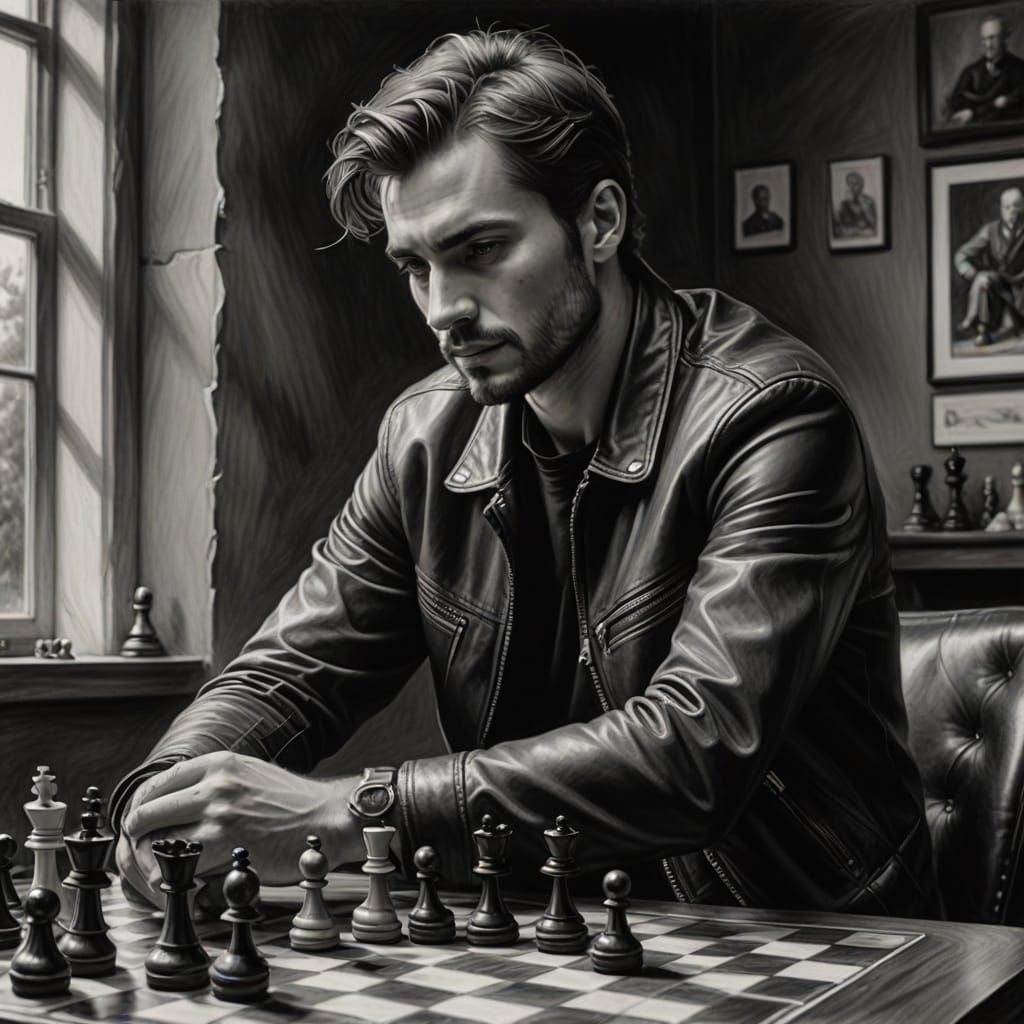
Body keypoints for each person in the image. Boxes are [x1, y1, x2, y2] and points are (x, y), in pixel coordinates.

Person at [112, 27, 939, 919]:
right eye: (415, 266)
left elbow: (695, 752)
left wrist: (350, 813)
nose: (443, 309)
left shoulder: (772, 415)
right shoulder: (424, 441)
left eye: (480, 250)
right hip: (544, 926)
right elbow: (289, 673)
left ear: (600, 221)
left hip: (806, 933)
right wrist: (164, 797)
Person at [954, 185, 1024, 347]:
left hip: (1021, 284)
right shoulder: (990, 230)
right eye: (1007, 207)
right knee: (983, 280)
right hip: (1000, 283)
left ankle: (971, 320)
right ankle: (982, 330)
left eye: (1016, 205)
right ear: (1001, 209)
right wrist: (966, 270)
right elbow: (961, 255)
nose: (1012, 211)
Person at [948, 14, 1024, 125]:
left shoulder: (1020, 68)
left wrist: (974, 112)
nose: (988, 44)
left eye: (992, 38)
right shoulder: (970, 72)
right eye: (984, 39)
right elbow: (955, 106)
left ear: (1005, 38)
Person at [833, 171, 877, 238]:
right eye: (849, 184)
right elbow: (838, 228)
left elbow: (874, 225)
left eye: (855, 184)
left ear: (862, 186)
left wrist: (863, 205)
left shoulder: (869, 201)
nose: (852, 187)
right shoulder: (842, 205)